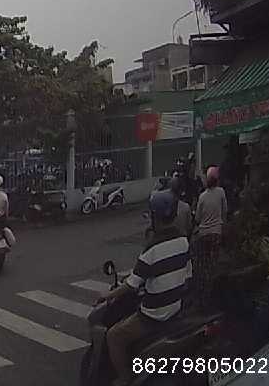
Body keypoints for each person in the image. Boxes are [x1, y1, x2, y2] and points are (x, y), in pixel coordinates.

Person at [104, 190, 189, 385]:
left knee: (113, 336)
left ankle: (125, 378)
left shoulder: (152, 249)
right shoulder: (184, 241)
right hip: (175, 309)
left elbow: (131, 285)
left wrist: (107, 295)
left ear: (154, 217)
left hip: (153, 316)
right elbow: (186, 275)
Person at [193, 165, 227, 305]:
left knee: (203, 264)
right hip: (216, 232)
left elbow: (197, 218)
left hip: (203, 234)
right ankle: (211, 294)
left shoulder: (202, 196)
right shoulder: (221, 192)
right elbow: (225, 211)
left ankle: (202, 294)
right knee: (213, 264)